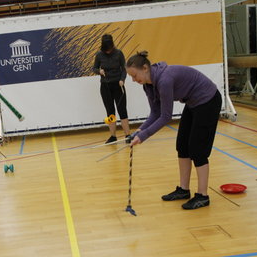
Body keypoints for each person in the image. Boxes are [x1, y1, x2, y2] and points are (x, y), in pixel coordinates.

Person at [125, 51, 222, 210]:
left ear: (145, 68)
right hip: (193, 103)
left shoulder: (164, 80)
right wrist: (139, 131)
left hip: (208, 101)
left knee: (197, 150)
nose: (134, 80)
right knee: (182, 146)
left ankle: (203, 196)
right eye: (131, 77)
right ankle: (183, 190)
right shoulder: (148, 86)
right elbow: (155, 113)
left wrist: (143, 136)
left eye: (134, 76)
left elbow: (165, 116)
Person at [92, 34, 131, 144]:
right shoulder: (99, 55)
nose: (108, 51)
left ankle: (128, 135)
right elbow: (94, 68)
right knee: (110, 112)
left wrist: (122, 79)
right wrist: (99, 71)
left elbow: (124, 69)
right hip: (105, 86)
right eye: (106, 50)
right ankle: (113, 136)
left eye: (110, 49)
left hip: (118, 85)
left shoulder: (119, 53)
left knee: (122, 110)